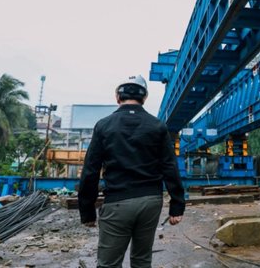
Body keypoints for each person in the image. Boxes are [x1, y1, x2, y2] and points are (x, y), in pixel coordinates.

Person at [78, 75, 185, 268]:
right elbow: (169, 166)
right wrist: (177, 206)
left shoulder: (104, 125)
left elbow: (90, 170)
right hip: (151, 203)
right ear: (144, 98)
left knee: (108, 264)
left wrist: (87, 211)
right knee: (142, 261)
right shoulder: (157, 126)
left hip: (118, 202)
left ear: (118, 97)